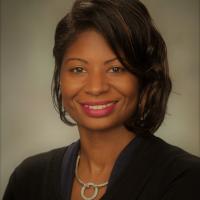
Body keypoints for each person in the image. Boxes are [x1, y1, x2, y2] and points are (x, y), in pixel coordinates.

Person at [3, 0, 200, 199]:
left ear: (143, 78)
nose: (96, 88)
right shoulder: (28, 180)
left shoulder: (185, 179)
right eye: (78, 69)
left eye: (116, 69)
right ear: (60, 77)